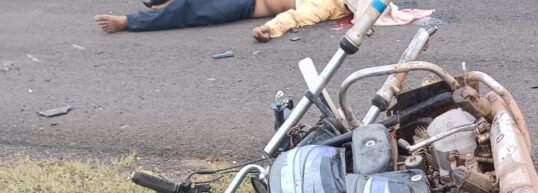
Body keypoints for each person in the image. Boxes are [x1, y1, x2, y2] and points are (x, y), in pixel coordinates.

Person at [95, 0, 431, 38]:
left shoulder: (327, 6)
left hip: (247, 4)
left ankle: (129, 21)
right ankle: (164, 4)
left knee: (193, 10)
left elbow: (295, 17)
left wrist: (270, 28)